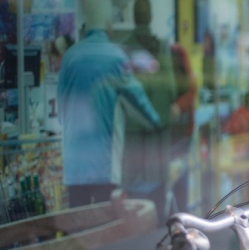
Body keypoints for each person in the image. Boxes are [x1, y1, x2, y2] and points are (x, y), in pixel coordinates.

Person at [57, 0, 160, 208]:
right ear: (109, 27)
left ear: (86, 28)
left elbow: (61, 109)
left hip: (74, 164)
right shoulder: (115, 57)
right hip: (104, 164)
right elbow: (138, 98)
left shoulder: (70, 57)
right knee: (106, 228)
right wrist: (157, 122)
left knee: (78, 224)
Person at [122, 0, 196, 221]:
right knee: (159, 190)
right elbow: (175, 88)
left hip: (145, 134)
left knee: (141, 194)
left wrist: (177, 107)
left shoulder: (129, 48)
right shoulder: (163, 49)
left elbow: (186, 89)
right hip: (161, 131)